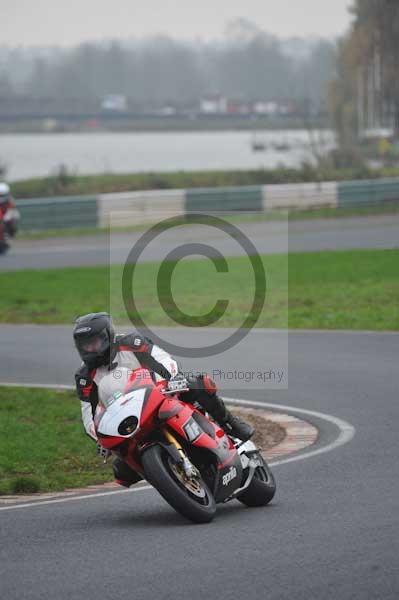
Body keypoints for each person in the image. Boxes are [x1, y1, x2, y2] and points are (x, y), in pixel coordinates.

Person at [74, 312, 254, 488]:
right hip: (129, 419)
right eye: (84, 346)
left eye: (94, 343)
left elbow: (161, 359)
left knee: (199, 384)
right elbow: (88, 415)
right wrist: (99, 437)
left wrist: (172, 377)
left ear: (107, 336)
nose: (89, 349)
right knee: (121, 470)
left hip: (160, 392)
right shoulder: (84, 376)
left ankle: (229, 423)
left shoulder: (131, 342)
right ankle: (166, 475)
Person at [0, 182, 19, 251]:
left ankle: (9, 235)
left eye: (2, 195)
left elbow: (12, 209)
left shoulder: (10, 200)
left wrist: (6, 218)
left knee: (14, 219)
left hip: (8, 214)